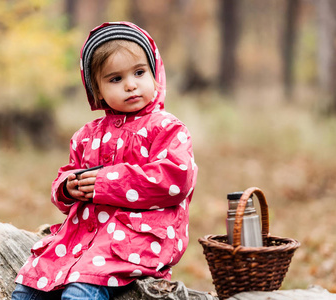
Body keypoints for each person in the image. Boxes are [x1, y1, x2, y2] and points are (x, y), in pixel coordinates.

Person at [12, 21, 198, 300]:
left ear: (155, 72)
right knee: (29, 287)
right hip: (82, 238)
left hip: (136, 240)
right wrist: (67, 187)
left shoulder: (167, 128)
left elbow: (174, 180)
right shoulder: (87, 136)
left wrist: (105, 182)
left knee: (79, 293)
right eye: (115, 79)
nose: (131, 85)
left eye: (139, 72)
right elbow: (66, 176)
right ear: (97, 90)